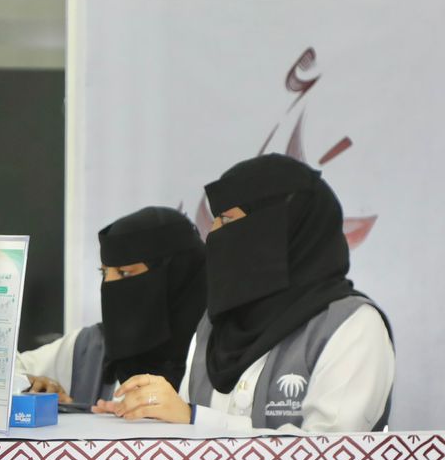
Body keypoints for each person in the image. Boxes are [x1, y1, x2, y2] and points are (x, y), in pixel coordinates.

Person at [99, 154, 394, 432]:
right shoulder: (212, 328)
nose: (213, 234)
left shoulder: (351, 326)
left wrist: (195, 419)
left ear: (276, 226)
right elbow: (184, 440)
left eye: (226, 220)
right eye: (215, 220)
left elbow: (329, 457)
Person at [17, 206, 205, 403]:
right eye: (104, 273)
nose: (109, 285)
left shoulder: (216, 359)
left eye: (125, 273)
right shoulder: (90, 348)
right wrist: (28, 382)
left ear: (175, 276)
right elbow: (5, 371)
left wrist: (191, 415)